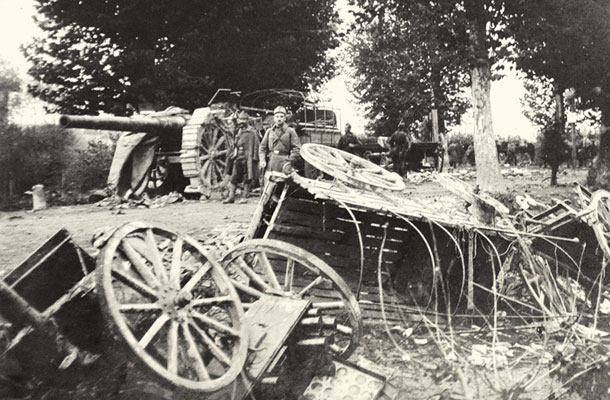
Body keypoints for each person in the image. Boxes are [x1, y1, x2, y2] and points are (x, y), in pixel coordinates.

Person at [223, 111, 260, 203]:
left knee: (247, 178)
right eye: (240, 119)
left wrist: (255, 159)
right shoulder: (238, 131)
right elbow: (234, 144)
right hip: (238, 158)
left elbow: (256, 146)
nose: (241, 121)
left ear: (247, 120)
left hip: (248, 159)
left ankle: (244, 197)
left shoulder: (252, 132)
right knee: (234, 177)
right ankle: (231, 197)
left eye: (244, 119)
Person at [259, 106, 301, 176]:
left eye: (281, 117)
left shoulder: (290, 131)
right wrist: (262, 160)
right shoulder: (269, 131)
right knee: (269, 184)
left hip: (284, 163)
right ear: (274, 118)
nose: (279, 119)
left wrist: (290, 161)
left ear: (285, 118)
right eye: (277, 116)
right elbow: (262, 147)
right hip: (271, 162)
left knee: (283, 184)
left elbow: (297, 148)